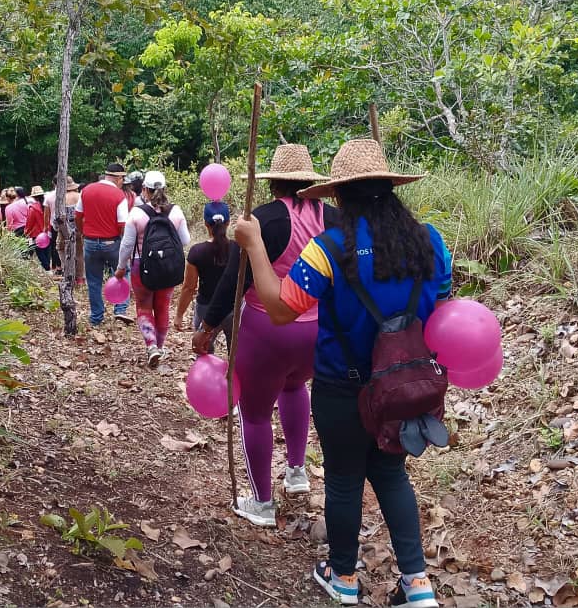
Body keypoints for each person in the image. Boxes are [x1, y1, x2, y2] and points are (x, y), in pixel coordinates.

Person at [233, 139, 452, 608]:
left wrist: (254, 246)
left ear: (337, 195)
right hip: (406, 386)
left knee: (344, 479)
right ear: (391, 188)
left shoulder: (328, 249)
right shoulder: (430, 241)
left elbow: (280, 308)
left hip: (342, 387)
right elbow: (444, 309)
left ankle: (344, 577)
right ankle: (417, 584)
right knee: (391, 474)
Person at [192, 144, 336, 528]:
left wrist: (207, 328)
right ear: (310, 183)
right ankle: (297, 471)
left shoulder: (261, 221)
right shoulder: (335, 218)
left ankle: (261, 502)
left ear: (273, 183)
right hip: (317, 330)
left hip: (266, 331)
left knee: (254, 413)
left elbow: (234, 281)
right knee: (295, 386)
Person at [115, 171, 190, 367]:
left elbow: (126, 245)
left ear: (144, 190)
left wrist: (121, 268)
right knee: (163, 307)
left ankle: (152, 346)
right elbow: (185, 240)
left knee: (144, 307)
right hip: (168, 267)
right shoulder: (176, 212)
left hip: (141, 267)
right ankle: (161, 346)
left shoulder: (136, 213)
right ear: (164, 189)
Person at [76, 164, 131, 326]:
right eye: (122, 179)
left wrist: (82, 232)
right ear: (118, 178)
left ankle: (96, 316)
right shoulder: (119, 195)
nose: (122, 182)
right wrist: (122, 241)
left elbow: (78, 215)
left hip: (90, 242)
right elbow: (123, 224)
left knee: (93, 280)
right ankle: (120, 309)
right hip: (112, 242)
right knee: (122, 273)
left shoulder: (86, 190)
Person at [174, 201, 234, 352]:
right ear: (228, 222)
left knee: (204, 353)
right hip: (234, 308)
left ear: (205, 224)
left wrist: (179, 315)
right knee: (237, 355)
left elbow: (189, 288)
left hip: (206, 310)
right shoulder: (239, 249)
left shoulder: (197, 252)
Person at [26, 185, 51, 270]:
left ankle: (47, 268)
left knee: (40, 252)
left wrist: (26, 232)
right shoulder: (47, 205)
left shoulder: (33, 208)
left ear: (33, 197)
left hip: (36, 234)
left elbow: (30, 222)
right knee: (47, 251)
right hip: (47, 232)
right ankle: (49, 267)